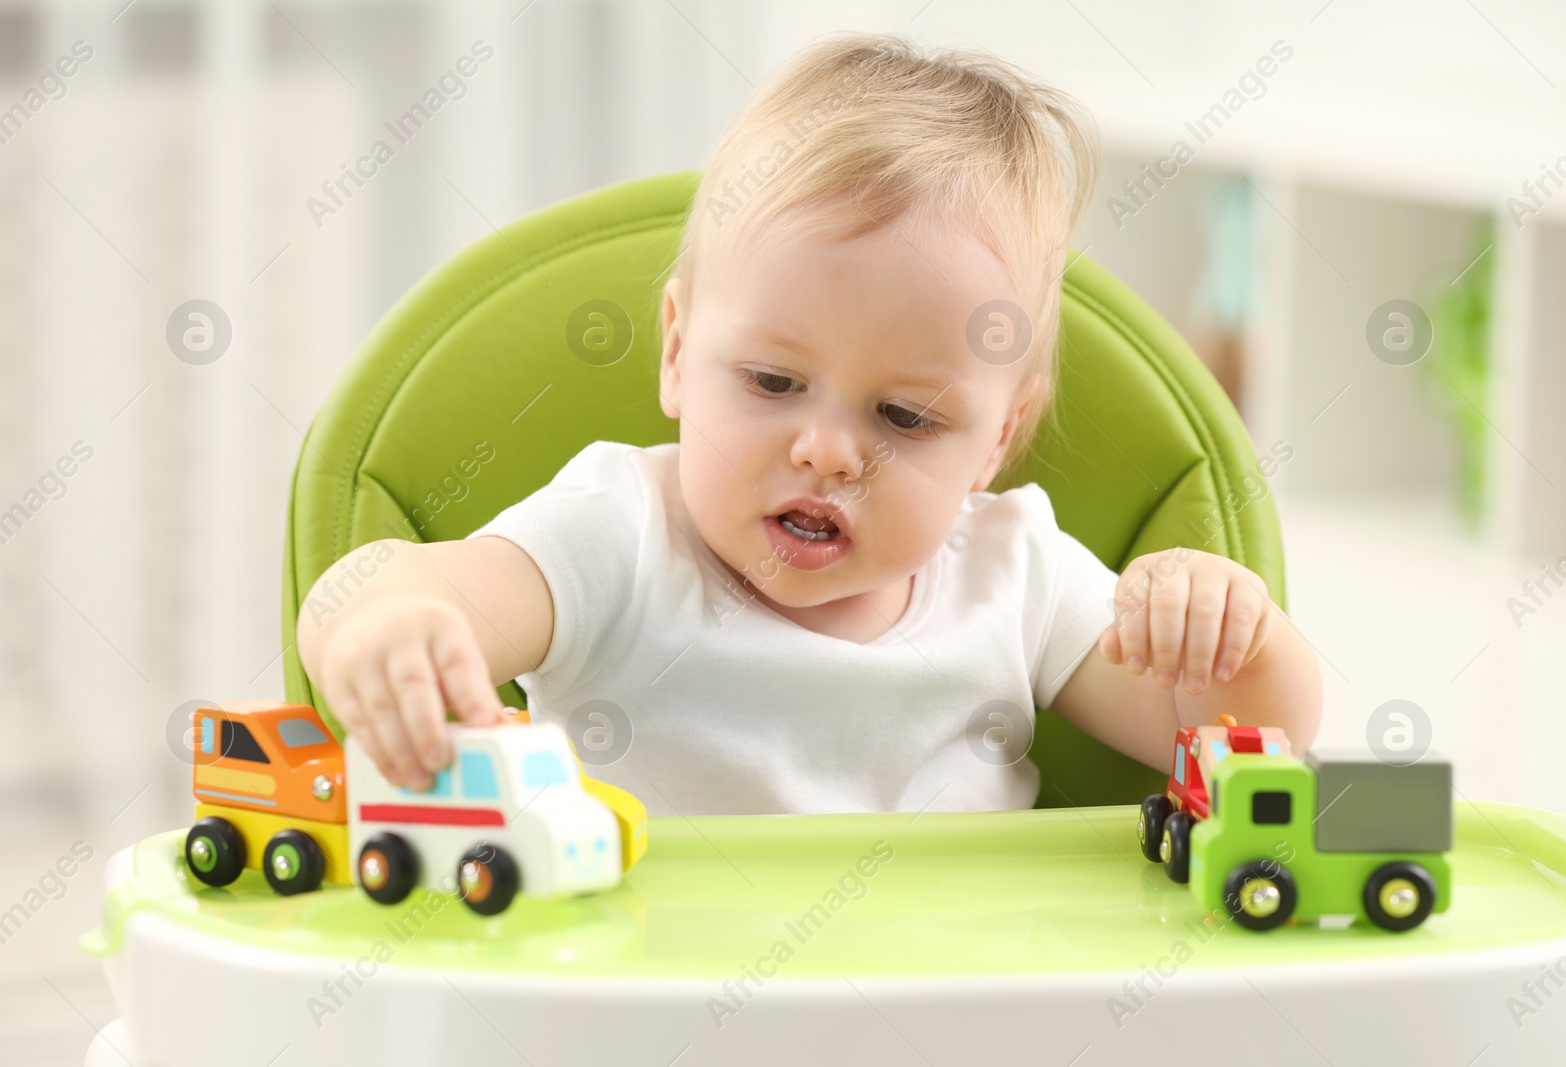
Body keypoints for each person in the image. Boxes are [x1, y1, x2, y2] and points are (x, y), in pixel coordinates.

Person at [296, 31, 1321, 816]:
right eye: (773, 381)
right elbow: (419, 584)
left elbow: (1246, 736)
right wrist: (384, 618)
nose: (828, 449)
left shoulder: (1016, 573)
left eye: (905, 415)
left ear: (995, 441)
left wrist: (1226, 631)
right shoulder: (618, 533)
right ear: (675, 355)